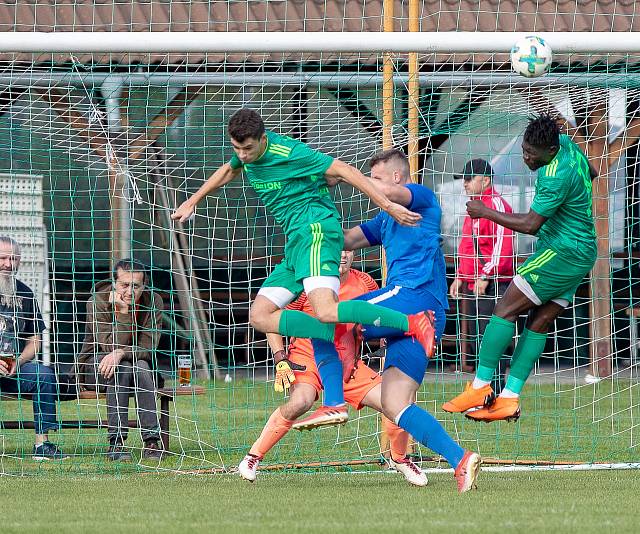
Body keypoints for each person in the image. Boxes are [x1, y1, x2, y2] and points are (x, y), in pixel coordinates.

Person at [171, 109, 435, 430]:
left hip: (315, 232)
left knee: (324, 310)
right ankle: (332, 347)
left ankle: (411, 322)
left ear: (263, 140)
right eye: (237, 148)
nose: (243, 155)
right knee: (260, 315)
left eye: (249, 149)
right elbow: (229, 169)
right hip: (295, 245)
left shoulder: (288, 151)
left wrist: (388, 205)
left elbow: (345, 169)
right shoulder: (244, 155)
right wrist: (193, 200)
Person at [337, 148, 480, 493]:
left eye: (376, 177)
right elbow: (346, 239)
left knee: (335, 317)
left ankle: (332, 401)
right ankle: (461, 459)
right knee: (394, 403)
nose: (372, 184)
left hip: (414, 298)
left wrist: (341, 172)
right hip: (414, 317)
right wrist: (308, 224)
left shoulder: (421, 197)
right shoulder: (386, 218)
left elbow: (387, 194)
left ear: (397, 177)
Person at [443, 114, 597, 422]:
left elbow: (529, 224)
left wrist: (484, 211)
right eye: (524, 150)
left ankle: (480, 386)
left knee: (504, 310)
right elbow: (591, 171)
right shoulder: (565, 143)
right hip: (581, 252)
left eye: (531, 154)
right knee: (537, 323)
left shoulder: (555, 175)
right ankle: (509, 398)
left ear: (550, 151)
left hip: (561, 251)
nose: (526, 157)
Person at [237, 250, 427, 487]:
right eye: (337, 249)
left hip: (348, 363)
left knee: (396, 402)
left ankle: (400, 458)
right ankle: (253, 456)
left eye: (347, 249)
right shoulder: (309, 285)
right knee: (301, 402)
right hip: (308, 357)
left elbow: (376, 317)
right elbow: (271, 318)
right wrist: (279, 357)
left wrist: (388, 335)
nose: (342, 255)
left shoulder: (365, 282)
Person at [73, 259, 165, 461]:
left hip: (136, 367)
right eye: (125, 285)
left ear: (144, 286)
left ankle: (151, 442)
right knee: (122, 368)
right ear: (114, 283)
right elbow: (107, 346)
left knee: (139, 366)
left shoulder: (154, 301)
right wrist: (123, 313)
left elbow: (148, 348)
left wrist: (121, 353)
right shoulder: (96, 301)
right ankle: (116, 442)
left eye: (136, 286)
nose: (130, 291)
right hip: (95, 365)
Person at [449, 158, 515, 384]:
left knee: (491, 337)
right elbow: (469, 245)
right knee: (479, 336)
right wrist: (460, 275)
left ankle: (495, 386)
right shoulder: (475, 208)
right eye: (463, 179)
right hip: (475, 282)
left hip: (492, 282)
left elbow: (502, 245)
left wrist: (485, 275)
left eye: (469, 179)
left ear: (485, 180)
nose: (464, 184)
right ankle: (485, 385)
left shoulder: (495, 205)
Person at [0, 236, 64, 460]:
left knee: (44, 375)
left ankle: (42, 445)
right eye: (3, 258)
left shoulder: (25, 293)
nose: (8, 264)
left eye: (13, 258)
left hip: (12, 369)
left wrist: (18, 362)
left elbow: (34, 341)